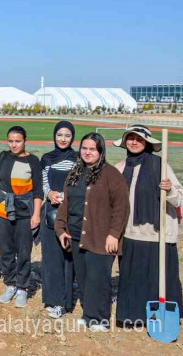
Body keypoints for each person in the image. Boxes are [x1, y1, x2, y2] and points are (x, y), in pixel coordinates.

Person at [55, 133, 130, 331]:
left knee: (98, 278)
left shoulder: (111, 174)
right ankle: (89, 314)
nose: (87, 152)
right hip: (77, 234)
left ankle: (100, 319)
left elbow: (121, 207)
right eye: (84, 148)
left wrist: (114, 234)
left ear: (100, 151)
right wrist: (61, 228)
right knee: (84, 278)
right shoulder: (75, 173)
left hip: (101, 237)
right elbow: (66, 204)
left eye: (92, 149)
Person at [114, 125, 183, 328]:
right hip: (130, 233)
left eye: (139, 139)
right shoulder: (120, 168)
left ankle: (164, 317)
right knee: (133, 279)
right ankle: (133, 315)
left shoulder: (160, 165)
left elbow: (179, 199)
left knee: (160, 278)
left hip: (158, 234)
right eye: (130, 138)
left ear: (147, 144)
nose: (134, 142)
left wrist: (169, 189)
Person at [0, 126, 42, 308]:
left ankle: (22, 288)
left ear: (25, 141)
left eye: (18, 141)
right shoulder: (3, 157)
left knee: (24, 251)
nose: (14, 145)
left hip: (24, 212)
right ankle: (10, 284)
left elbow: (38, 191)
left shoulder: (33, 161)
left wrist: (36, 214)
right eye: (11, 141)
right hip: (4, 211)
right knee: (6, 251)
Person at [39, 121, 77, 318]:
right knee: (51, 259)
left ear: (72, 138)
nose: (63, 139)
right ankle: (53, 299)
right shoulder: (46, 158)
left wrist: (67, 198)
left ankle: (64, 302)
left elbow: (80, 185)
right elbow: (43, 183)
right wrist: (49, 194)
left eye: (67, 135)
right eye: (60, 135)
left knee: (67, 259)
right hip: (50, 215)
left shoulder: (77, 159)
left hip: (70, 214)